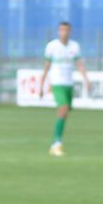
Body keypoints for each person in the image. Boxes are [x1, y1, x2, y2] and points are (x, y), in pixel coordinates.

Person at [38, 21, 90, 157]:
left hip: (68, 84)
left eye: (66, 30)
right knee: (63, 108)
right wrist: (42, 83)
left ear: (70, 31)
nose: (64, 33)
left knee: (65, 113)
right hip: (57, 82)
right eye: (61, 30)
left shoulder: (74, 46)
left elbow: (79, 64)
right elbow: (47, 66)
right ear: (58, 31)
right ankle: (56, 144)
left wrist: (86, 79)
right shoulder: (52, 46)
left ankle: (56, 142)